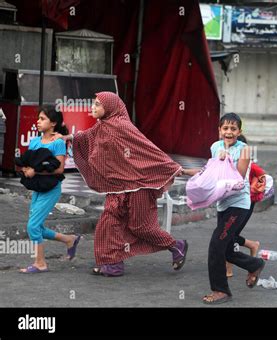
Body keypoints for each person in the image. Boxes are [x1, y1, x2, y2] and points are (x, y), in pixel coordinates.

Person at [56, 92, 188, 277]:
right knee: (107, 223)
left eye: (97, 105)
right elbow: (86, 137)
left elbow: (147, 148)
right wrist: (68, 137)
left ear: (109, 107)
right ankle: (111, 263)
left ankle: (176, 246)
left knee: (141, 227)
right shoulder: (102, 125)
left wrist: (171, 167)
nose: (93, 108)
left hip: (138, 184)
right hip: (118, 186)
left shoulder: (121, 126)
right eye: (93, 104)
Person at [183, 113, 265, 304]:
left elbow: (237, 179)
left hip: (239, 205)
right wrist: (186, 172)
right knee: (227, 249)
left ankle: (221, 290)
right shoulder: (215, 146)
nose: (229, 132)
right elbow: (210, 172)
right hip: (223, 204)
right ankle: (255, 264)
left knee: (216, 245)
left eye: (233, 129)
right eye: (225, 128)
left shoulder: (244, 150)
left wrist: (225, 159)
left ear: (239, 131)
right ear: (219, 130)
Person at [19, 107, 80, 273]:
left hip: (51, 189)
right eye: (38, 118)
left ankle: (40, 263)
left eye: (42, 119)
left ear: (53, 123)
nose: (38, 122)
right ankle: (69, 239)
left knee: (32, 226)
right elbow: (28, 161)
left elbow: (59, 169)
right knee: (36, 226)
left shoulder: (58, 142)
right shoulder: (34, 141)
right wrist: (25, 169)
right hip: (38, 187)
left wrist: (35, 171)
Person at [226, 134, 261, 278]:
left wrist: (255, 186)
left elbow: (262, 177)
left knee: (230, 235)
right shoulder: (227, 161)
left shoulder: (251, 165)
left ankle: (229, 269)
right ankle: (252, 245)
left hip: (245, 203)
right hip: (229, 202)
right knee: (228, 235)